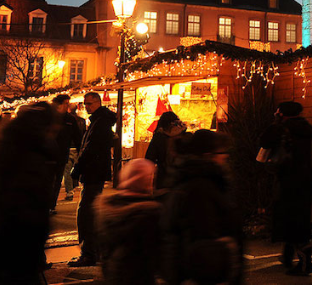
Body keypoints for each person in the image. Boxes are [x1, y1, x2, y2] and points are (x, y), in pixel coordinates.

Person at [163, 130, 243, 285]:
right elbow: (202, 239)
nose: (226, 156)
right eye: (221, 152)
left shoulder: (199, 182)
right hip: (207, 274)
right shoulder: (200, 188)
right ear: (208, 155)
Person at [0, 102, 57, 284]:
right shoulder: (33, 153)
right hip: (21, 233)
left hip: (12, 231)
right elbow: (30, 199)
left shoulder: (10, 143)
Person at [260, 101, 312, 276]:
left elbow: (264, 141)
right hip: (304, 178)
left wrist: (276, 122)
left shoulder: (280, 129)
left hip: (286, 179)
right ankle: (289, 255)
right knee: (299, 217)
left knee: (289, 217)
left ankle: (304, 263)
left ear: (282, 113)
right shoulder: (305, 127)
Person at [96, 159, 163, 285]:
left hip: (113, 273)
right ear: (147, 181)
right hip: (139, 277)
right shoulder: (148, 213)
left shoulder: (108, 209)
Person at [69, 91, 116, 267]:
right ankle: (91, 252)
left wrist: (78, 167)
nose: (86, 107)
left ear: (97, 103)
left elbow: (91, 148)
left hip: (93, 172)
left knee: (87, 213)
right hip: (94, 172)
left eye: (89, 104)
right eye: (85, 104)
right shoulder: (99, 120)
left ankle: (89, 253)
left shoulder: (100, 122)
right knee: (89, 212)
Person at [50, 94, 83, 214]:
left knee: (57, 181)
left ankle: (51, 205)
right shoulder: (49, 118)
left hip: (62, 155)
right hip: (48, 155)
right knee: (49, 180)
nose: (67, 106)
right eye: (66, 103)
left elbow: (77, 137)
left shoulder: (70, 119)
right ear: (59, 104)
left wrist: (80, 150)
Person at [145, 111, 186, 191]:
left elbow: (149, 158)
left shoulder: (159, 137)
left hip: (163, 177)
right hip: (180, 176)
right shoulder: (183, 136)